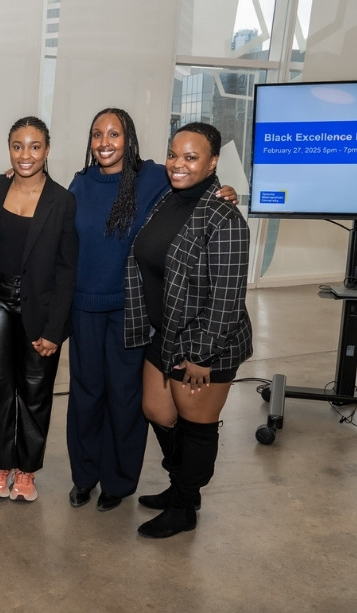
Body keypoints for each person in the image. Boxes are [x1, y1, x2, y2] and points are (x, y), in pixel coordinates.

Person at [65, 108, 238, 512]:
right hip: (84, 308)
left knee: (125, 399)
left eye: (114, 134)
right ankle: (84, 476)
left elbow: (195, 181)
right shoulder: (79, 182)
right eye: (97, 134)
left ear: (130, 139)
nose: (104, 142)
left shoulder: (154, 176)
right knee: (85, 396)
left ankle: (118, 482)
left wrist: (224, 190)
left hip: (132, 311)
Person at [125, 121, 252, 538]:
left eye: (191, 157)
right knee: (157, 411)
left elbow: (228, 297)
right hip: (164, 332)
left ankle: (184, 505)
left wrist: (201, 354)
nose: (178, 164)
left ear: (213, 162)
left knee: (197, 426)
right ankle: (183, 485)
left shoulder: (224, 215)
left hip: (205, 341)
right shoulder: (168, 198)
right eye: (174, 155)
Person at [0, 116, 77, 502]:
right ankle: (1, 464)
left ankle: (26, 470)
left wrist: (56, 329)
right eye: (18, 146)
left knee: (35, 390)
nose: (25, 154)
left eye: (35, 146)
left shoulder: (63, 200)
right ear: (9, 149)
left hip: (40, 303)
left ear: (47, 150)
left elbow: (68, 269)